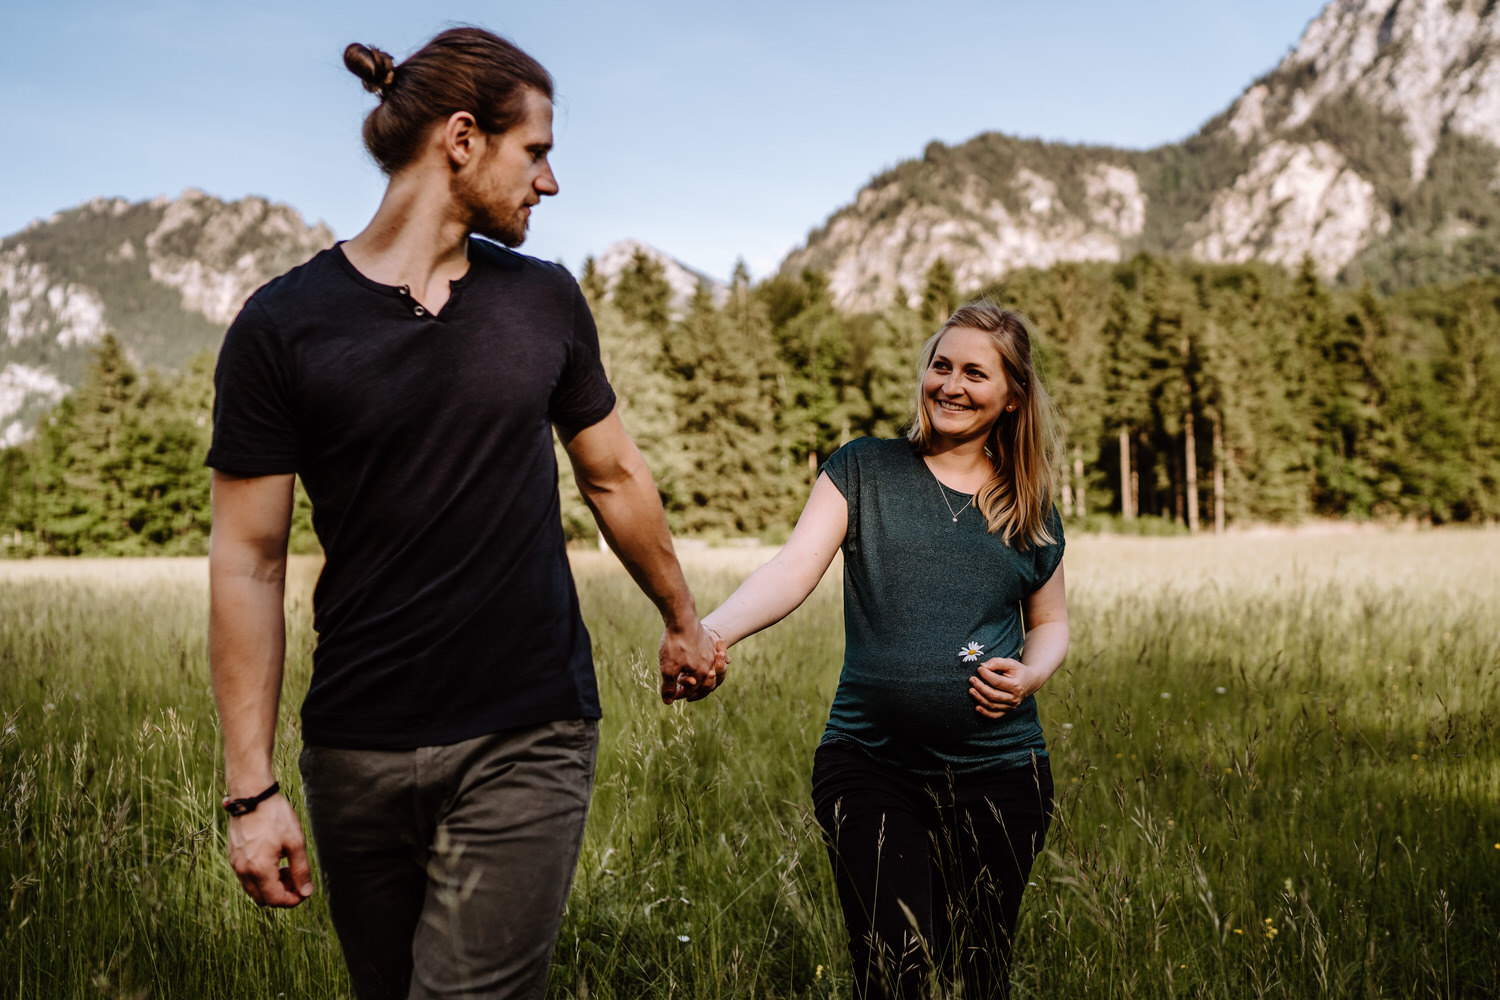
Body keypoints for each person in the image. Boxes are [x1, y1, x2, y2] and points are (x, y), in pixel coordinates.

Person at [206, 28, 722, 1000]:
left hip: (527, 728)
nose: (552, 181)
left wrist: (683, 618)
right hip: (354, 747)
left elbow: (613, 475)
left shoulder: (544, 301)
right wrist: (251, 787)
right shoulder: (282, 327)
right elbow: (248, 561)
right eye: (538, 151)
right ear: (460, 139)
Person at [702, 301, 1068, 999]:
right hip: (870, 766)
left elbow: (1049, 622)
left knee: (981, 973)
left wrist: (1030, 673)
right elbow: (791, 569)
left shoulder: (1031, 504)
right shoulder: (865, 469)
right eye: (941, 366)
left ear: (1013, 395)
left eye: (975, 373)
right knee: (891, 970)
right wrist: (714, 632)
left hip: (1001, 777)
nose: (951, 385)